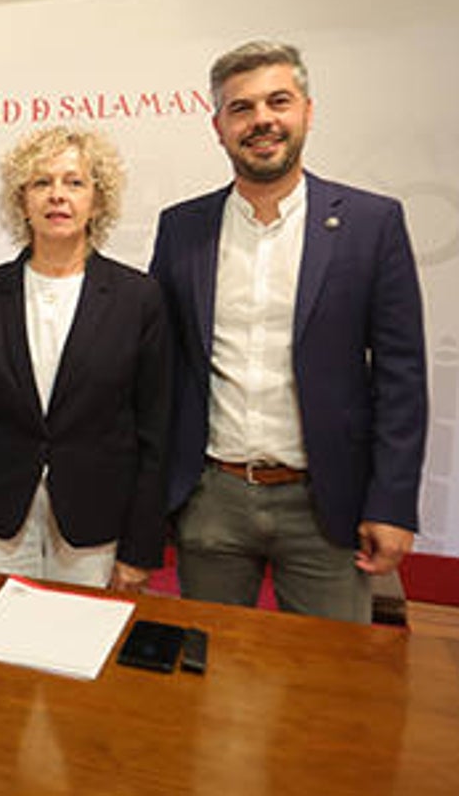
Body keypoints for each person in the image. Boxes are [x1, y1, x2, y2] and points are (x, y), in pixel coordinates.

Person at [149, 40, 428, 623]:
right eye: (241, 108)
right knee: (213, 675)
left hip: (326, 505)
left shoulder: (371, 224)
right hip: (212, 501)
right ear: (219, 126)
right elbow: (163, 366)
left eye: (278, 101)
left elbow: (401, 376)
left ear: (307, 110)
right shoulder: (181, 228)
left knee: (327, 687)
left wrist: (393, 503)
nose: (261, 121)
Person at [0, 126, 171, 591]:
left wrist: (141, 548)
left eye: (74, 182)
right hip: (0, 516)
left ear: (98, 200)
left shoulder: (138, 297)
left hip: (97, 519)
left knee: (82, 646)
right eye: (41, 183)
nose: (57, 196)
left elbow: (155, 433)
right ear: (21, 201)